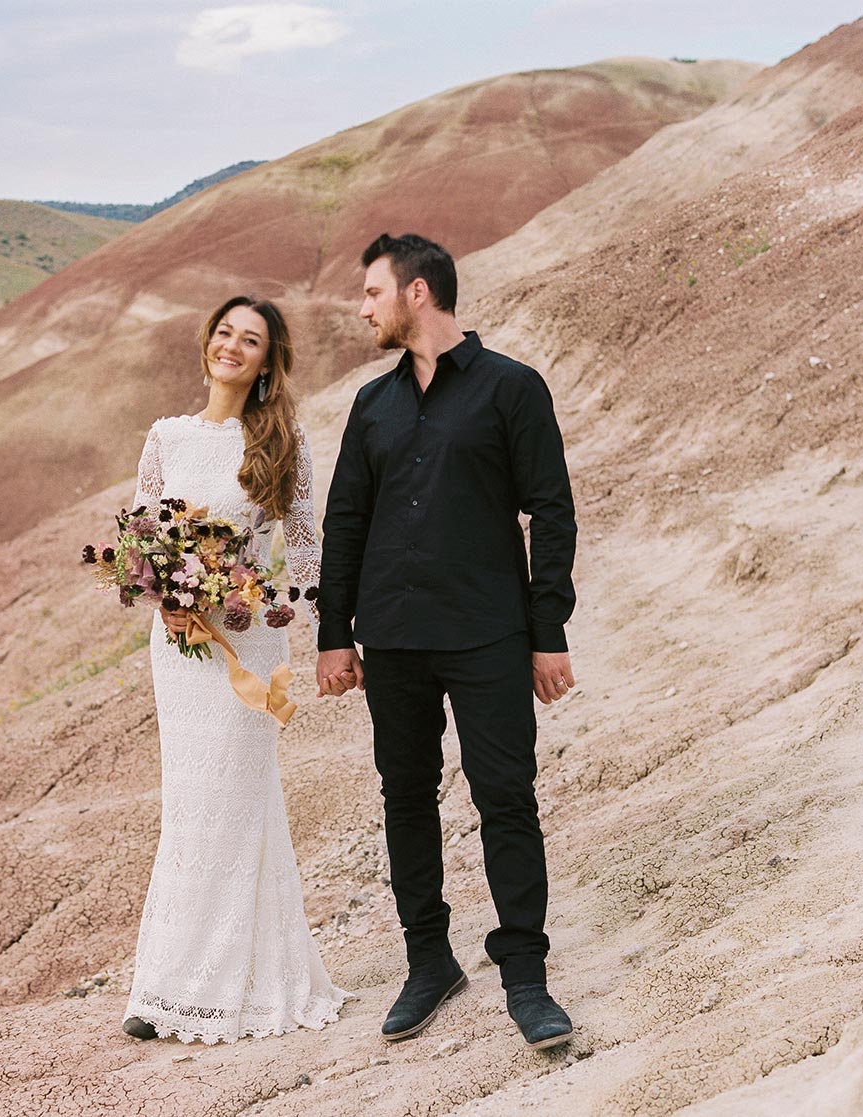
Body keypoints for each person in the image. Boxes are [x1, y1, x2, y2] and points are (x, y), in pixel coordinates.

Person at [316, 233, 578, 1048]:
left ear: (417, 292)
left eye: (371, 293)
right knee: (405, 798)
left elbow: (552, 513)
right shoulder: (372, 404)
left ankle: (526, 977)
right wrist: (334, 634)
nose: (364, 309)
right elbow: (346, 522)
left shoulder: (512, 389)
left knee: (505, 796)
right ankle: (429, 961)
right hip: (393, 636)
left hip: (486, 632)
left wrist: (548, 631)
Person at [121, 295, 350, 1043]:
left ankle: (236, 982)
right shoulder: (166, 436)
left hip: (246, 647)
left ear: (266, 360)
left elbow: (307, 548)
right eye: (224, 332)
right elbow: (140, 538)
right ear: (207, 341)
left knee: (238, 802)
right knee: (187, 803)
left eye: (250, 340)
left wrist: (325, 633)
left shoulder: (283, 440)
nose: (232, 346)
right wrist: (166, 600)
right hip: (179, 649)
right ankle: (164, 987)